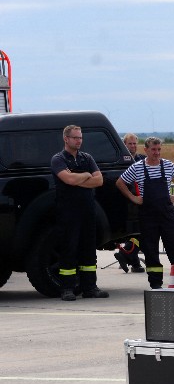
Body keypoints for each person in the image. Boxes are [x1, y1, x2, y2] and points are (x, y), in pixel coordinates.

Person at [115, 137, 174, 289]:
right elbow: (120, 182)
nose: (157, 153)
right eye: (153, 150)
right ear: (146, 150)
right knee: (150, 250)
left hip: (166, 215)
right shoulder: (137, 168)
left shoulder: (168, 165)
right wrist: (133, 198)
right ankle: (156, 284)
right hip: (148, 216)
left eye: (159, 149)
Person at [50, 125, 109, 301]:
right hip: (68, 212)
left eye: (80, 137)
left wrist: (78, 178)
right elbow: (67, 179)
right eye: (75, 137)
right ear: (66, 139)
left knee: (89, 250)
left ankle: (90, 287)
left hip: (88, 211)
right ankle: (67, 288)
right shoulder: (58, 159)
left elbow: (99, 180)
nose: (79, 141)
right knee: (69, 249)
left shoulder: (87, 158)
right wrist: (85, 176)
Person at [114, 133, 145, 274]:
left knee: (139, 232)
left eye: (134, 144)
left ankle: (134, 261)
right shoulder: (121, 161)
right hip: (128, 203)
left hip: (141, 201)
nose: (132, 146)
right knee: (137, 232)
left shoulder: (141, 160)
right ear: (124, 145)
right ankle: (127, 253)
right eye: (129, 144)